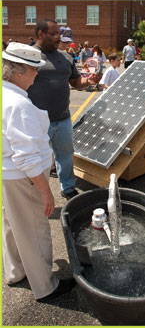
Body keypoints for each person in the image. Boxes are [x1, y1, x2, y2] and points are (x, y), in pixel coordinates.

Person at [2, 42, 76, 302]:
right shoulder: (19, 105)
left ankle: (15, 272)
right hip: (25, 179)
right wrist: (46, 193)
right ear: (19, 71)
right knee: (35, 229)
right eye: (34, 70)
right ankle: (46, 286)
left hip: (9, 176)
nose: (37, 74)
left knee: (12, 226)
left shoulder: (5, 94)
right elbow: (28, 156)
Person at [28, 19, 101, 199]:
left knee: (65, 156)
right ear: (40, 34)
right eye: (53, 34)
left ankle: (67, 188)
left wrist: (88, 81)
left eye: (59, 35)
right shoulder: (28, 56)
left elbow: (75, 82)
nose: (58, 38)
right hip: (36, 122)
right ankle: (35, 194)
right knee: (36, 160)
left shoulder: (65, 57)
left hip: (63, 119)